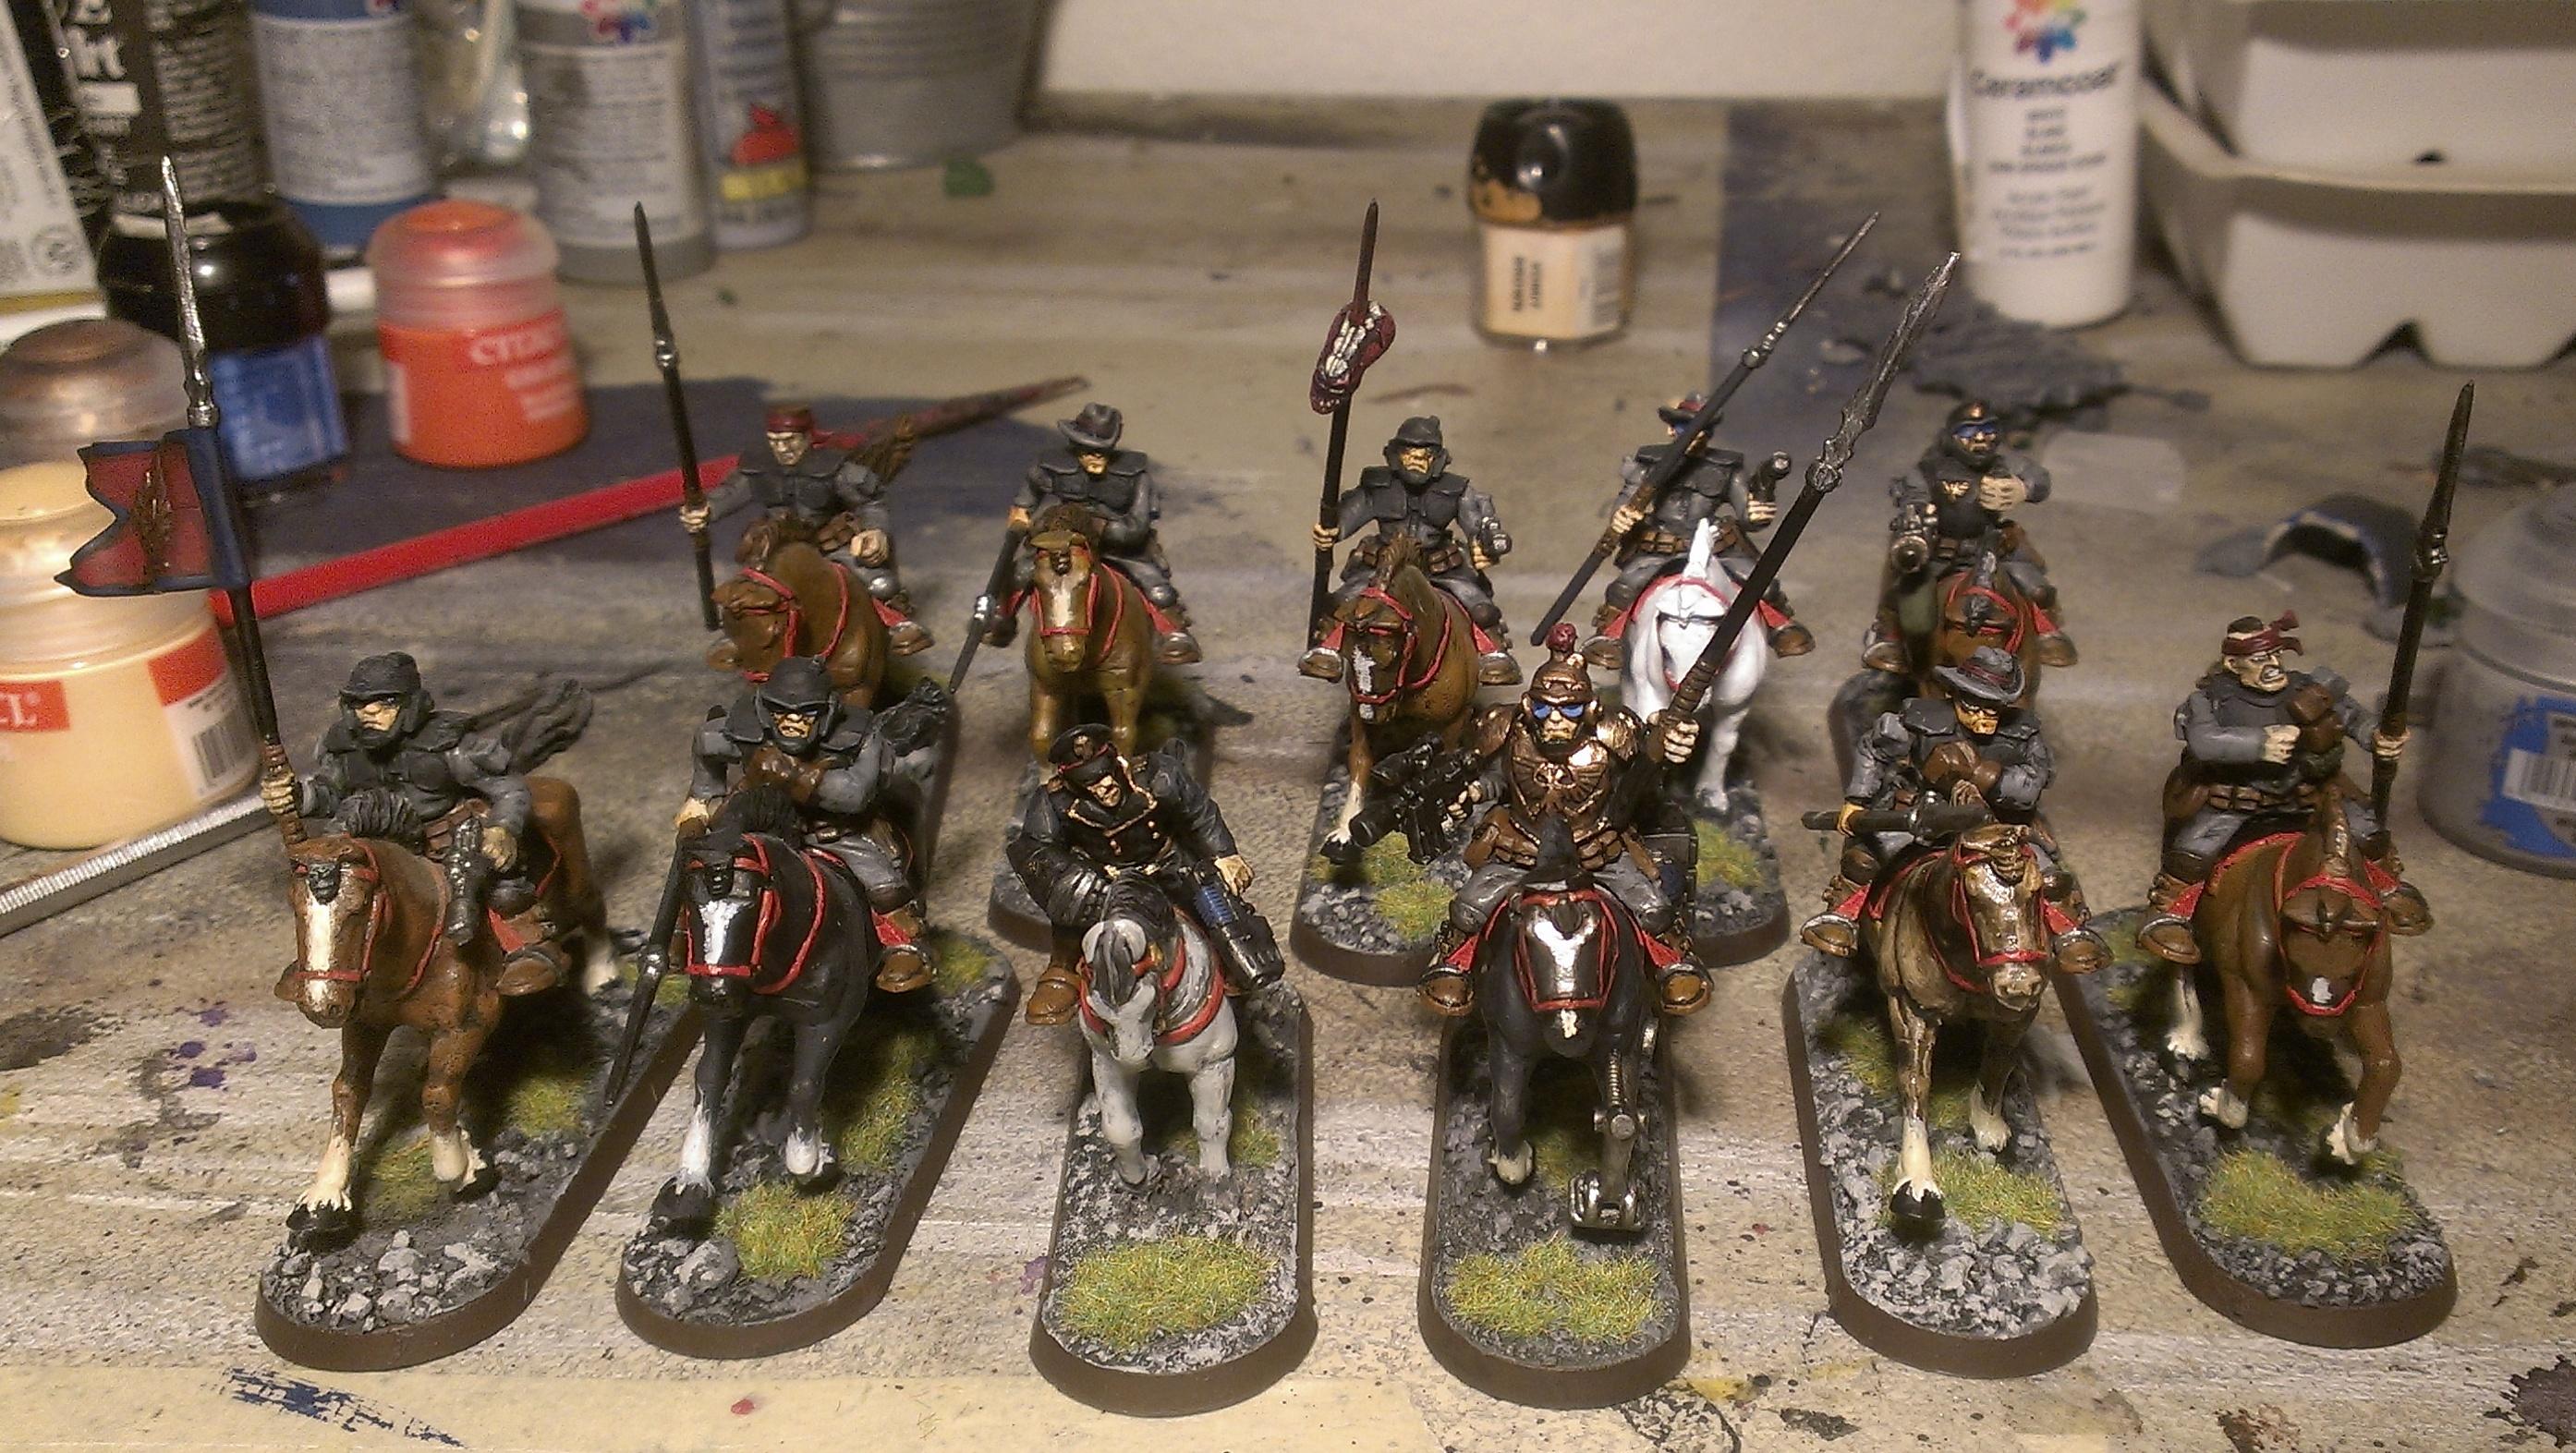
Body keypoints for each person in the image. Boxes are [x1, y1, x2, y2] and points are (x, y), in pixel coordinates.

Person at [1414, 627, 1709, 1017]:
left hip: (1596, 850)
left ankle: (1673, 962)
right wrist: (1473, 793)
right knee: (1469, 907)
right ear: (1528, 706)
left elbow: (1644, 781)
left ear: (1588, 710)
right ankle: (1454, 963)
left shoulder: (1611, 740)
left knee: (1651, 907)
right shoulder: (1512, 736)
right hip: (1522, 849)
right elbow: (1500, 781)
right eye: (1543, 709)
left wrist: (1664, 745)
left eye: (1568, 710)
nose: (1554, 719)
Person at [2135, 611, 2429, 963]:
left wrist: (2376, 736)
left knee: (2368, 832)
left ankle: (2388, 888)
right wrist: (2259, 744)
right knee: (2192, 852)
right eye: (2259, 659)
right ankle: (2170, 914)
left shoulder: (2309, 689)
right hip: (2240, 799)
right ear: (2233, 664)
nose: (2272, 665)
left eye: (2275, 655)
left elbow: (2352, 715)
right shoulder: (2208, 702)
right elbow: (2204, 741)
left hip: (2310, 792)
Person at [267, 651, 564, 990]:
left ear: (410, 705)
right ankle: (328, 960)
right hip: (383, 842)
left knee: (498, 886)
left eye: (385, 703)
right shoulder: (345, 749)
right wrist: (296, 797)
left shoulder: (449, 747)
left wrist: (502, 829)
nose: (370, 712)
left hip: (448, 838)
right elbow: (329, 793)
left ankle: (529, 945)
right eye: (360, 703)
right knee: (338, 889)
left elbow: (508, 788)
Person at [1799, 646, 2102, 963]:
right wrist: (1857, 800)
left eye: (1993, 708)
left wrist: (1981, 773)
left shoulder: (2025, 735)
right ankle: (1841, 915)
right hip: (1923, 815)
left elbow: (2032, 786)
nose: (1983, 717)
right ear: (1955, 694)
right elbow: (1874, 749)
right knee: (1864, 860)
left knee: (2048, 876)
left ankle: (2070, 932)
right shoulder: (1919, 722)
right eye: (1975, 705)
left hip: (1998, 821)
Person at [675, 658, 944, 992]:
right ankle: (685, 931)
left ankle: (906, 944)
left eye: (806, 714)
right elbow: (707, 742)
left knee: (882, 882)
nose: (792, 722)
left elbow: (856, 793)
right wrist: (701, 798)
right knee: (707, 865)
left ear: (827, 711)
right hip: (756, 817)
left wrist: (793, 775)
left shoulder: (860, 737)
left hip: (831, 828)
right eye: (781, 712)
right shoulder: (743, 728)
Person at [1007, 725, 1282, 1026]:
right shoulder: (1053, 802)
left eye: (1107, 773)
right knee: (1071, 916)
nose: (1105, 785)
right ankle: (1064, 972)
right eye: (1091, 782)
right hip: (1108, 879)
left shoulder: (1157, 775)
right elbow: (1036, 848)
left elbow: (1199, 813)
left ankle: (1232, 958)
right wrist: (1074, 881)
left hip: (1168, 863)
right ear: (1071, 782)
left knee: (1215, 905)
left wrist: (1224, 854)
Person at [1581, 394, 1810, 671]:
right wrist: (1622, 516)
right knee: (1625, 587)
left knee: (1762, 582)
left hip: (1714, 544)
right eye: (1684, 428)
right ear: (1671, 430)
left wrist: (1759, 510)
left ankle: (1780, 625)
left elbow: (1747, 517)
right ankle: (1610, 635)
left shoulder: (1727, 469)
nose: (1695, 436)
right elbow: (1627, 500)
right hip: (1662, 544)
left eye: (1703, 430)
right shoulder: (1650, 463)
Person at [680, 403, 930, 654]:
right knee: (746, 590)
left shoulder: (837, 470)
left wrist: (875, 531)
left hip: (827, 544)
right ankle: (739, 638)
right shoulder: (758, 469)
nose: (782, 448)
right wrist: (706, 511)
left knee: (878, 582)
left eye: (790, 440)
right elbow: (730, 492)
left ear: (808, 437)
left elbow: (871, 501)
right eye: (775, 441)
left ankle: (895, 624)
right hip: (779, 546)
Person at [1302, 416, 1521, 685]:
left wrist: (1484, 544)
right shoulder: (1377, 488)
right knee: (1343, 601)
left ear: (1437, 459)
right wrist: (1332, 531)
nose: (1416, 460)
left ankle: (1493, 653)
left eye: (1425, 455)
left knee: (1479, 607)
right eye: (1410, 453)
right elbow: (1350, 513)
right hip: (1383, 567)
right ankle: (1328, 649)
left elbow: (1477, 522)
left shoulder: (1456, 491)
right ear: (1397, 455)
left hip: (1438, 569)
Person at [1863, 400, 2072, 673]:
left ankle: (2044, 631)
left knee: (2037, 589)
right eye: (1969, 431)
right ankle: (1890, 637)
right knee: (1913, 606)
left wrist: (2023, 488)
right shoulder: (1930, 470)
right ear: (1951, 436)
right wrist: (1917, 520)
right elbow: (1912, 498)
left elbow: (2039, 477)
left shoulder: (2003, 462)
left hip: (1991, 548)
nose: (1981, 438)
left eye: (1988, 430)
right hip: (1940, 551)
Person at [987, 403, 1198, 663]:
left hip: (1117, 544)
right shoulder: (1050, 468)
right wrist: (1022, 518)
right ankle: (1002, 619)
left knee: (1156, 586)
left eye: (1102, 451)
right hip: (1065, 538)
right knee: (1020, 572)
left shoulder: (1136, 477)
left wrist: (1098, 527)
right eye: (1088, 450)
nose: (1095, 456)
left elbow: (1137, 527)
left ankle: (1174, 633)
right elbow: (1026, 502)